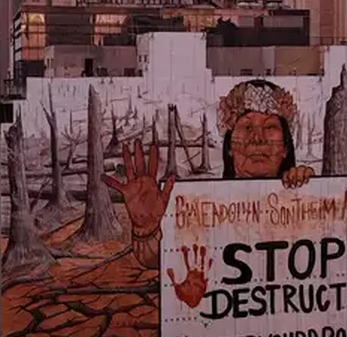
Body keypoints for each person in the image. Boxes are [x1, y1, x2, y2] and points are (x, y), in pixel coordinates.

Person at [102, 79, 313, 271]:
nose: (257, 139)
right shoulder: (203, 208)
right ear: (229, 146)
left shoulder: (310, 200)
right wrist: (146, 229)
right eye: (247, 126)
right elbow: (162, 259)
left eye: (269, 127)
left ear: (285, 147)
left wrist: (314, 190)